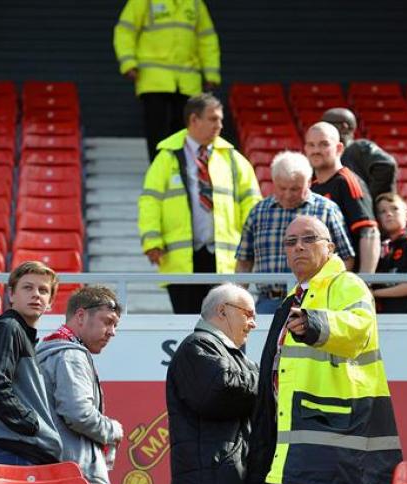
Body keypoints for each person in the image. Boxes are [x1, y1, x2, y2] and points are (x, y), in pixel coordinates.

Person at [254, 215, 402, 484]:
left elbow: (357, 328)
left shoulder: (345, 284)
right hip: (309, 448)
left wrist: (315, 323)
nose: (298, 247)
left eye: (308, 239)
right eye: (290, 242)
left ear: (330, 247)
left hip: (333, 445)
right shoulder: (293, 298)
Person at [166, 284, 267, 484]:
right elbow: (220, 391)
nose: (253, 323)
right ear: (223, 311)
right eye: (248, 313)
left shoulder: (226, 353)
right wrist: (268, 382)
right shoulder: (197, 347)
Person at [138, 93, 261, 314]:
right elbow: (150, 201)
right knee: (186, 324)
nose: (220, 125)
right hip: (181, 258)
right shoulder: (166, 158)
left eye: (220, 119)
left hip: (225, 259)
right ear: (194, 120)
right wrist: (152, 240)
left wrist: (253, 244)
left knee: (224, 324)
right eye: (213, 119)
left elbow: (252, 204)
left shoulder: (235, 159)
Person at [37, 286, 125, 484]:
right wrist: (114, 430)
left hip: (62, 475)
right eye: (107, 322)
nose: (112, 332)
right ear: (80, 315)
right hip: (80, 482)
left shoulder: (51, 350)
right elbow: (78, 414)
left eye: (115, 325)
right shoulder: (70, 355)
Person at [236, 151, 354, 314]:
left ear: (309, 183)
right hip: (269, 302)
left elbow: (345, 258)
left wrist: (334, 292)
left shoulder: (326, 209)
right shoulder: (258, 212)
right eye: (282, 188)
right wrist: (237, 304)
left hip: (316, 300)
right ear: (273, 182)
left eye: (295, 189)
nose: (288, 194)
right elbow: (244, 262)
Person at [0, 261, 63, 468]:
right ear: (11, 294)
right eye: (27, 287)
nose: (36, 294)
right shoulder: (8, 328)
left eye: (43, 290)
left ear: (50, 301)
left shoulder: (19, 333)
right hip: (15, 453)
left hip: (23, 453)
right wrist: (30, 423)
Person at [113, 0, 221, 161]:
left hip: (187, 80)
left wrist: (211, 72)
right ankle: (159, 174)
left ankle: (180, 174)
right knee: (157, 131)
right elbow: (125, 31)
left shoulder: (195, 4)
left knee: (186, 133)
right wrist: (128, 62)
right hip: (154, 79)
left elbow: (207, 39)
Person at [305, 122, 380, 274]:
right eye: (311, 145)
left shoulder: (348, 181)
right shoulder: (311, 186)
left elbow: (369, 232)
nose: (316, 150)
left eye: (323, 144)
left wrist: (365, 280)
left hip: (344, 281)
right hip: (319, 279)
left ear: (339, 148)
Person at [321, 108, 398, 199]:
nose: (322, 130)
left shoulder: (359, 147)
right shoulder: (329, 154)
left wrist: (368, 199)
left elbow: (387, 164)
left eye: (327, 125)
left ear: (343, 127)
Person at [372, 193, 407, 313]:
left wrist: (374, 294)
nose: (388, 214)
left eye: (394, 208)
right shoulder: (378, 246)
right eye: (382, 211)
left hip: (406, 318)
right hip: (382, 316)